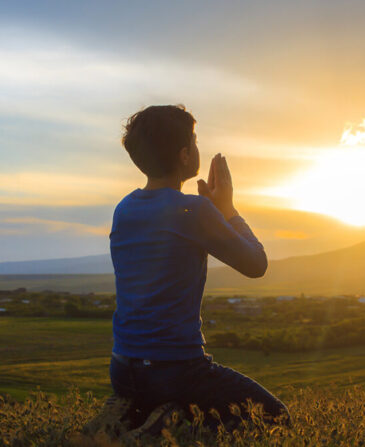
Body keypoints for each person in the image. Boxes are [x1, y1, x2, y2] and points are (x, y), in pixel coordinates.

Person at [85, 104, 289, 439]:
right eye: (194, 142)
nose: (197, 148)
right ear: (183, 156)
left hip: (122, 367)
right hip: (175, 371)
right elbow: (257, 264)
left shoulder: (124, 209)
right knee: (276, 417)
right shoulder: (191, 210)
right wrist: (227, 209)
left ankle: (135, 414)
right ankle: (174, 423)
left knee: (157, 397)